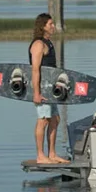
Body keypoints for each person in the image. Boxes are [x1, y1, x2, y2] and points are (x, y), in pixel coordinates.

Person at [30, 13, 69, 164]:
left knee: (55, 120)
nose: (53, 27)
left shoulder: (48, 42)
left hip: (51, 89)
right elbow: (35, 70)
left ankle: (52, 154)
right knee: (43, 120)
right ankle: (40, 155)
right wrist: (36, 93)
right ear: (43, 26)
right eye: (50, 24)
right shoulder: (38, 44)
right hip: (43, 89)